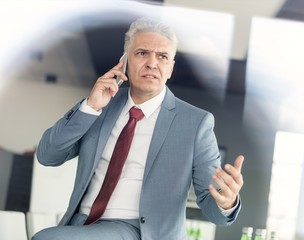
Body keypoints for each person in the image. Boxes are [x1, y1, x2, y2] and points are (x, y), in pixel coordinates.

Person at [32, 17, 244, 240]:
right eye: (142, 53)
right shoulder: (101, 104)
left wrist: (227, 201)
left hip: (140, 232)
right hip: (80, 225)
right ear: (124, 62)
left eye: (162, 56)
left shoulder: (196, 123)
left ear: (170, 68)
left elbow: (214, 209)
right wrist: (90, 107)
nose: (152, 63)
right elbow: (48, 155)